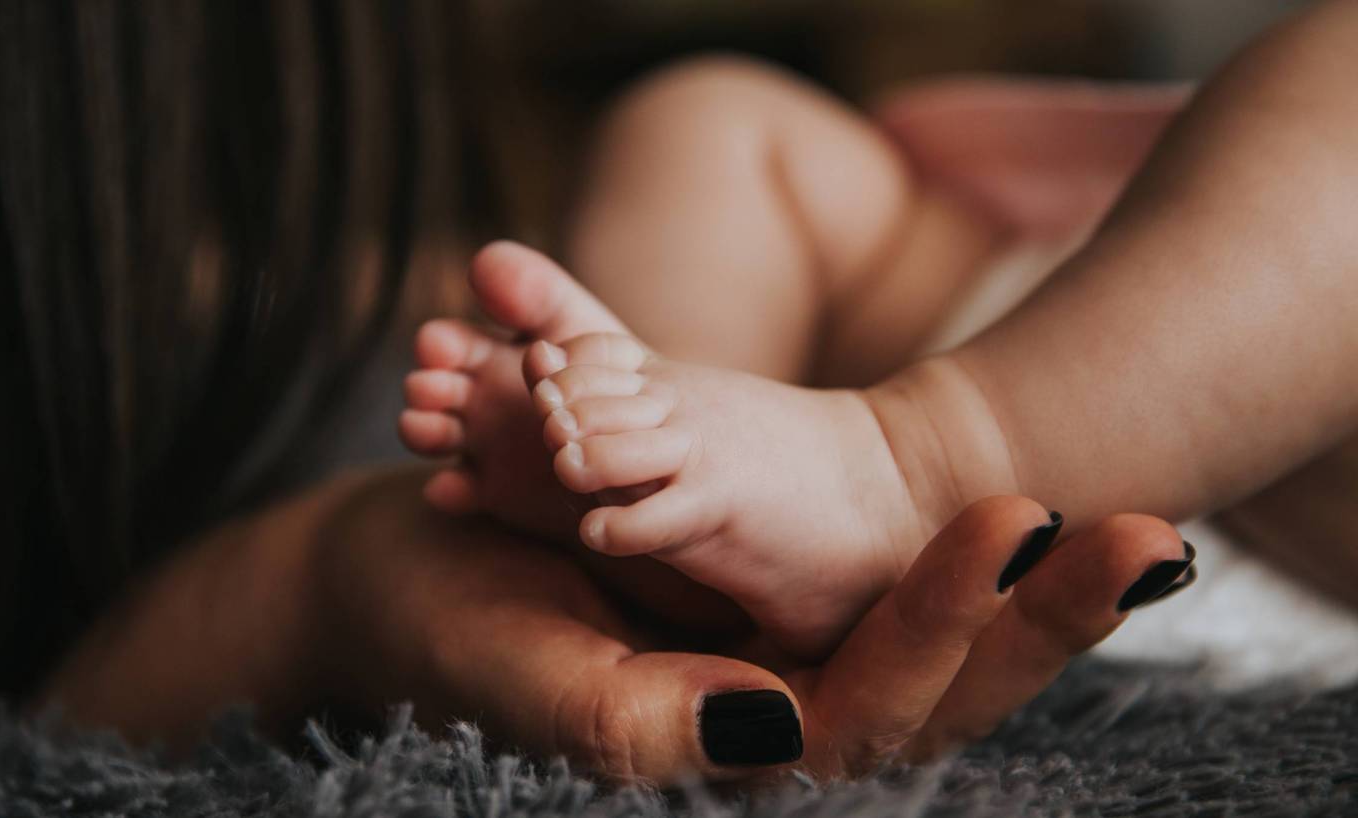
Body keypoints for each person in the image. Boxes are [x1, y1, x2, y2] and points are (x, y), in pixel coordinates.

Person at [0, 0, 1263, 790]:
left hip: (1169, 390)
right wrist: (315, 576)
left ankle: (835, 467)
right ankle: (701, 484)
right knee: (704, 118)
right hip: (982, 309)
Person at [400, 0, 1358, 662]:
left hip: (1293, 503)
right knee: (711, 115)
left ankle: (906, 471)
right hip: (1015, 310)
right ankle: (678, 481)